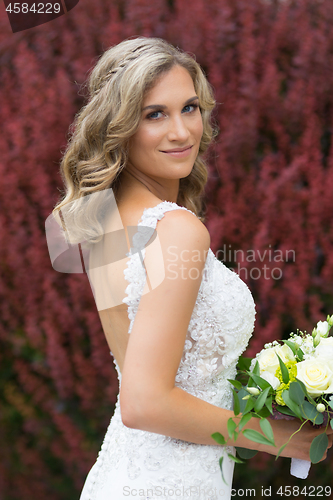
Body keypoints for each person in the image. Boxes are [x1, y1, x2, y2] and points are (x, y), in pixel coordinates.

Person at [52, 37, 333, 500]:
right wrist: (289, 438)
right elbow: (145, 403)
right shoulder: (176, 230)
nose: (183, 132)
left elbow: (159, 372)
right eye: (154, 114)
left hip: (127, 471)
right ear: (117, 126)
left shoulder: (105, 221)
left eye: (190, 107)